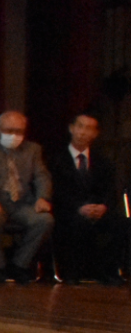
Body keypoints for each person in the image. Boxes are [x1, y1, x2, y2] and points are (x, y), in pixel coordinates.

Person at [0, 110, 54, 283]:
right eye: (9, 131)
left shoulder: (33, 149)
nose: (14, 135)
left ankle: (19, 265)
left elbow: (41, 176)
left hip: (23, 203)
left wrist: (42, 197)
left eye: (19, 131)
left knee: (44, 220)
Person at [50, 112, 124, 284]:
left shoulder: (103, 161)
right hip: (68, 209)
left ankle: (108, 272)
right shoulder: (55, 158)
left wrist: (103, 206)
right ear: (71, 128)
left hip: (96, 209)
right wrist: (79, 207)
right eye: (80, 127)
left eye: (89, 128)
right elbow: (55, 190)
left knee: (120, 223)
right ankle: (72, 272)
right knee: (76, 222)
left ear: (95, 134)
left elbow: (110, 190)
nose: (83, 132)